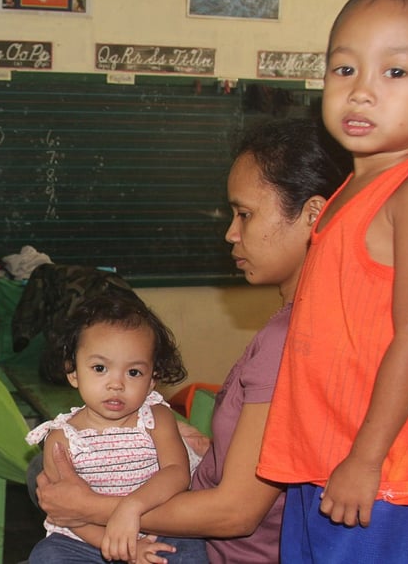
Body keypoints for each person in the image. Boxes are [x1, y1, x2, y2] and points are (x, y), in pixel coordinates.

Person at [34, 117, 350, 563]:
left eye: (244, 214)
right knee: (45, 467)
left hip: (216, 549)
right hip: (197, 510)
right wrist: (204, 444)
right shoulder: (304, 321)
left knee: (52, 492)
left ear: (313, 215)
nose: (231, 233)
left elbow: (236, 514)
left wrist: (90, 507)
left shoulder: (288, 340)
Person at [256, 0, 408, 562]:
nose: (361, 92)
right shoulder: (349, 192)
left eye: (395, 72)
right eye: (345, 69)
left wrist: (366, 458)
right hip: (320, 462)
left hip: (382, 476)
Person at [25, 291, 206, 563]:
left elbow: (177, 473)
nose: (116, 384)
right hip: (89, 540)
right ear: (73, 372)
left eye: (133, 372)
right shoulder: (61, 437)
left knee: (191, 550)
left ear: (152, 380)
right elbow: (67, 514)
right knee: (47, 555)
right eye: (100, 368)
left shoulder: (155, 418)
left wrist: (132, 507)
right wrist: (123, 548)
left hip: (157, 529)